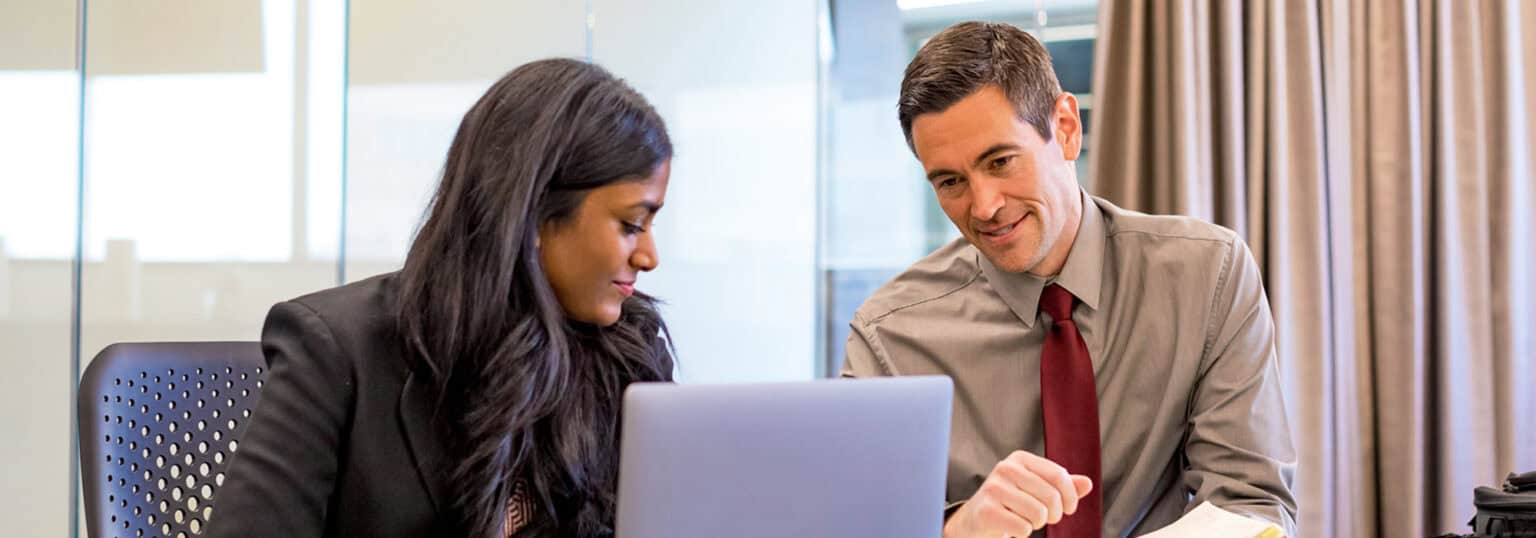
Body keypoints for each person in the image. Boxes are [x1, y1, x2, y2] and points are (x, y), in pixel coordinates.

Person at [840, 21, 1297, 538]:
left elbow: (1250, 500)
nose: (984, 206)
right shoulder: (887, 336)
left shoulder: (1206, 275)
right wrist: (957, 529)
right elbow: (856, 522)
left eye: (1001, 160)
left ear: (1065, 128)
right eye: (951, 182)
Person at [207, 58, 675, 538]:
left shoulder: (630, 355)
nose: (648, 256)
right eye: (631, 224)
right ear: (534, 213)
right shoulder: (337, 350)